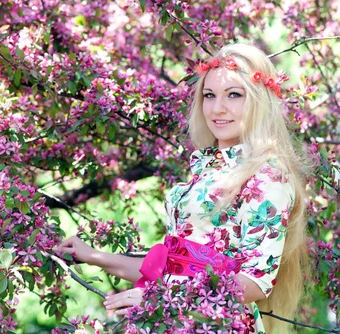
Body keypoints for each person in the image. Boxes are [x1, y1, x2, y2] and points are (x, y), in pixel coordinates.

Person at [55, 43, 310, 333]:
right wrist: (93, 256)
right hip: (177, 321)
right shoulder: (209, 168)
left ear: (259, 100)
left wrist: (161, 300)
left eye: (234, 95)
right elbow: (168, 269)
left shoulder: (268, 176)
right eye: (209, 95)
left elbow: (255, 282)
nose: (217, 109)